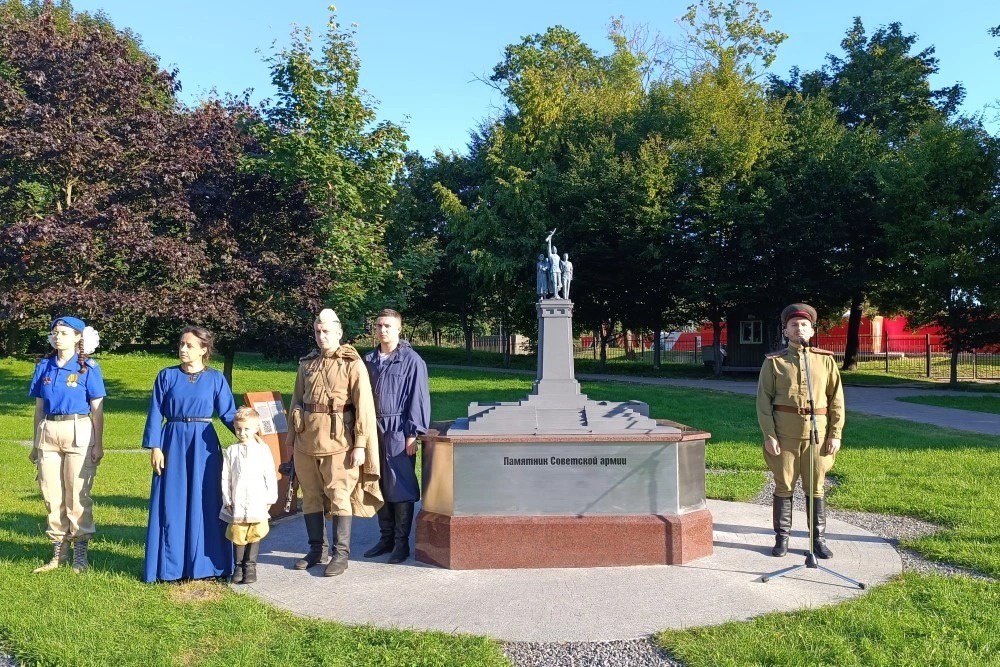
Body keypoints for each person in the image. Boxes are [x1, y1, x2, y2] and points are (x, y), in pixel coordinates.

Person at [286, 308, 381, 576]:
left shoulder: (352, 364)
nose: (321, 336)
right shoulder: (306, 364)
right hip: (306, 440)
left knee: (340, 495)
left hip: (339, 441)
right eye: (317, 331)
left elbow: (363, 406)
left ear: (339, 333)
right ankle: (317, 549)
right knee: (312, 496)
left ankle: (340, 554)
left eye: (326, 331)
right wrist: (291, 442)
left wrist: (360, 444)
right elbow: (296, 401)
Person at [142, 326, 237, 583]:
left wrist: (253, 434)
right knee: (171, 503)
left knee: (206, 502)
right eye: (181, 344)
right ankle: (169, 568)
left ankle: (207, 566)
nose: (183, 349)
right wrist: (155, 446)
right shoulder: (166, 376)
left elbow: (229, 414)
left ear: (204, 350)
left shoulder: (216, 379)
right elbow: (155, 412)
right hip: (171, 440)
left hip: (203, 444)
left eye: (189, 345)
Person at [756, 303, 845, 559]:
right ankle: (782, 539)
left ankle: (818, 540)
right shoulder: (775, 363)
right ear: (786, 330)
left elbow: (836, 399)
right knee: (783, 486)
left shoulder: (825, 361)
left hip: (818, 436)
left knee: (816, 487)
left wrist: (835, 434)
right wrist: (769, 435)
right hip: (784, 437)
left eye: (804, 324)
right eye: (794, 325)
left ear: (812, 330)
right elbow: (763, 402)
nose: (799, 328)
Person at [29, 316, 105, 574]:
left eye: (64, 332)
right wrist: (34, 443)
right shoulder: (44, 366)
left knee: (77, 494)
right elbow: (39, 408)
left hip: (78, 430)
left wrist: (98, 444)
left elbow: (97, 409)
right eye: (55, 332)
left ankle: (80, 554)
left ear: (77, 338)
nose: (57, 336)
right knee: (51, 494)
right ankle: (57, 554)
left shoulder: (88, 368)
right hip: (49, 430)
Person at [362, 309, 430, 564]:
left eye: (388, 326)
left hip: (399, 428)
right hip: (372, 429)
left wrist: (413, 433)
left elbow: (418, 398)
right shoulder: (368, 360)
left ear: (399, 329)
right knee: (378, 481)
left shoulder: (411, 361)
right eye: (379, 325)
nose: (383, 330)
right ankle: (386, 537)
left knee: (399, 484)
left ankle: (401, 543)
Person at [221, 406, 278, 585]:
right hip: (238, 500)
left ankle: (250, 566)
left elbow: (270, 473)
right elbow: (226, 477)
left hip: (257, 500)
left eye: (246, 429)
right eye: (238, 429)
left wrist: (270, 498)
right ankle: (238, 566)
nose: (242, 433)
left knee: (255, 532)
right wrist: (227, 499)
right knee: (238, 532)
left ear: (255, 428)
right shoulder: (232, 451)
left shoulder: (262, 450)